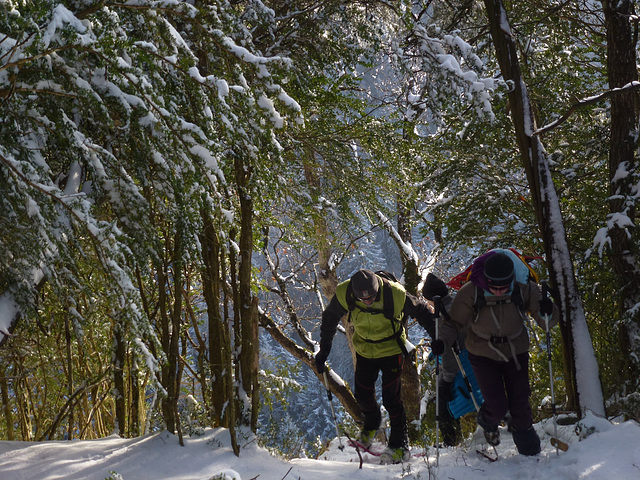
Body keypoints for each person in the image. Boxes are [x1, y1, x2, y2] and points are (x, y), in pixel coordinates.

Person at [430, 250, 559, 456]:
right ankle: (487, 421)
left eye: (503, 287)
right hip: (482, 354)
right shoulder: (471, 291)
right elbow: (454, 323)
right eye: (493, 287)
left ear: (511, 279)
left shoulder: (524, 288)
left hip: (515, 352)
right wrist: (442, 342)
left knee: (520, 403)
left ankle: (530, 454)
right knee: (496, 404)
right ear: (485, 279)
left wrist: (548, 309)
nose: (498, 291)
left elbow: (546, 322)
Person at [315, 269, 435, 464]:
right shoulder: (345, 292)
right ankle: (372, 423)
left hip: (391, 350)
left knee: (392, 399)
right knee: (362, 395)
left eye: (371, 297)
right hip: (364, 349)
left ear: (377, 288)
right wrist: (324, 350)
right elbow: (329, 319)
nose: (367, 301)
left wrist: (437, 337)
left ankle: (399, 445)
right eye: (363, 299)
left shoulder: (395, 293)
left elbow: (421, 311)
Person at [422, 273, 464, 447]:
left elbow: (448, 354)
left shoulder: (442, 318)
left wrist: (446, 380)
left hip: (458, 366)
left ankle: (450, 440)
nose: (428, 305)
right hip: (472, 359)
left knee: (443, 402)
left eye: (428, 301)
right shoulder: (459, 304)